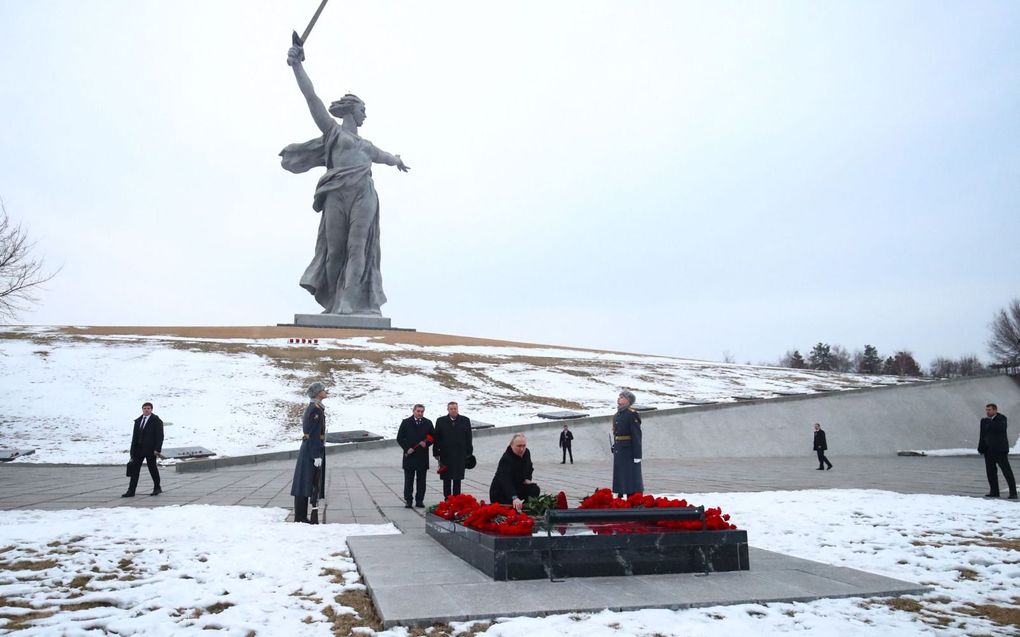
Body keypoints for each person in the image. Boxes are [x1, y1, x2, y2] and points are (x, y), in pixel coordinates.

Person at [281, 43, 410, 316]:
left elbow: (385, 156)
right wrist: (298, 65)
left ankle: (349, 301)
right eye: (363, 109)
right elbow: (311, 98)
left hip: (364, 195)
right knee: (334, 252)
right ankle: (333, 302)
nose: (366, 114)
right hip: (336, 195)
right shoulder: (334, 133)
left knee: (357, 248)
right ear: (352, 110)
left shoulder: (367, 146)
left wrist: (397, 160)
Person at [292, 382, 328, 523]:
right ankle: (300, 517)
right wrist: (316, 455)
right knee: (304, 482)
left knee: (306, 482)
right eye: (323, 390)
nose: (325, 391)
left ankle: (301, 516)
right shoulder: (315, 409)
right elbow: (312, 433)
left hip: (310, 448)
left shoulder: (317, 408)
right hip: (310, 450)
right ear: (317, 392)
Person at [396, 404, 435, 508]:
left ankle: (419, 500)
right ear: (413, 411)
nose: (420, 413)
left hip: (422, 456)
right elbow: (400, 438)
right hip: (410, 456)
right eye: (418, 411)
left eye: (422, 411)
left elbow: (433, 437)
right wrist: (407, 448)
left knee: (421, 480)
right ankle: (408, 500)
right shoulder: (406, 422)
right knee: (409, 480)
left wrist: (426, 444)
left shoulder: (428, 423)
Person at [490, 433, 541, 512]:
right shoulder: (506, 459)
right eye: (519, 446)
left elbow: (530, 468)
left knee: (534, 489)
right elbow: (505, 481)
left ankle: (527, 508)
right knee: (512, 504)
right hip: (501, 491)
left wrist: (527, 478)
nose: (522, 449)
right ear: (511, 445)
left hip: (518, 486)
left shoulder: (526, 453)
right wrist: (514, 497)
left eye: (524, 446)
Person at [122, 402, 164, 497]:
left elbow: (160, 436)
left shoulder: (156, 421)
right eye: (144, 408)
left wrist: (157, 449)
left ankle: (157, 487)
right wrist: (132, 451)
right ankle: (131, 491)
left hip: (150, 449)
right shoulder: (138, 421)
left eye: (148, 408)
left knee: (152, 469)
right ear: (142, 409)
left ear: (151, 409)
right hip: (138, 450)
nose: (146, 410)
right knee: (134, 471)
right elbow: (134, 437)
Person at [433, 401, 473, 499]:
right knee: (446, 478)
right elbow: (436, 437)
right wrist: (435, 451)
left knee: (457, 478)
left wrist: (469, 452)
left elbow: (469, 437)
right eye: (451, 409)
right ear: (448, 410)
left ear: (457, 409)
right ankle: (447, 498)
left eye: (455, 408)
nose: (453, 410)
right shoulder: (440, 421)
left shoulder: (465, 420)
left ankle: (456, 499)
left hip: (460, 454)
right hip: (445, 454)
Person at [978, 403, 1017, 499]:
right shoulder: (984, 421)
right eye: (986, 410)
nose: (988, 412)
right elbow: (982, 435)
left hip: (999, 450)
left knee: (1006, 471)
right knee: (990, 472)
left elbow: (1001, 429)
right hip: (988, 450)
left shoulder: (1001, 418)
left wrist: (989, 422)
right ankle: (994, 491)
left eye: (989, 410)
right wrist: (980, 447)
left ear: (995, 410)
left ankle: (1013, 493)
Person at [612, 390, 643, 497]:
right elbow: (616, 432)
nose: (618, 399)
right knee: (620, 475)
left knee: (631, 476)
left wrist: (637, 455)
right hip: (619, 449)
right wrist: (615, 445)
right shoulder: (617, 415)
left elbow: (636, 435)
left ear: (628, 400)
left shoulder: (631, 414)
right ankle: (619, 495)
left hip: (629, 450)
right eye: (619, 397)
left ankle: (633, 497)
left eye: (621, 397)